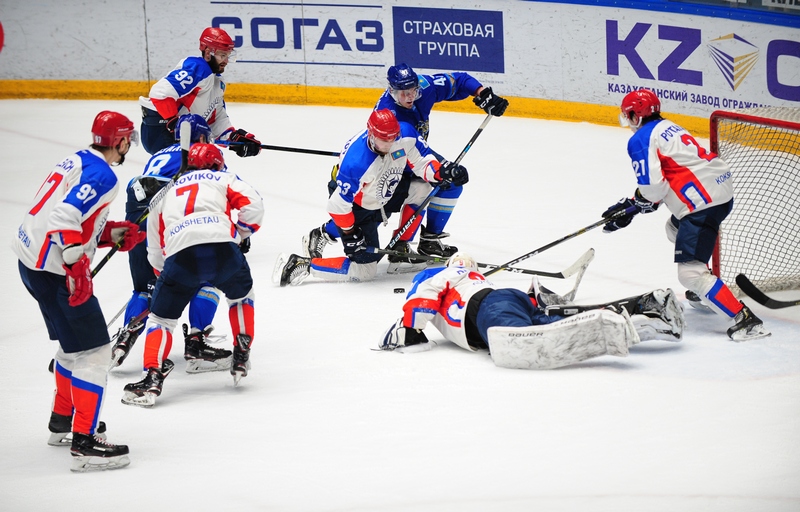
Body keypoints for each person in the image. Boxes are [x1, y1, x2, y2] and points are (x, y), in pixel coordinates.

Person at [13, 111, 143, 472]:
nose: (128, 145)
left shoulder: (78, 158)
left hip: (32, 264)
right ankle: (85, 444)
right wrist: (76, 267)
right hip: (55, 270)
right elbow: (64, 218)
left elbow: (69, 215)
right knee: (97, 353)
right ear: (117, 140)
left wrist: (108, 234)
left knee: (74, 347)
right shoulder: (104, 175)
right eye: (126, 139)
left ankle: (63, 423)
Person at [602, 89, 769, 342]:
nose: (628, 121)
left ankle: (745, 319)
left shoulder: (640, 139)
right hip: (721, 192)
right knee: (673, 229)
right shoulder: (668, 126)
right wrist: (636, 205)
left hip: (702, 204)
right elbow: (665, 181)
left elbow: (654, 189)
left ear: (636, 115)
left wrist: (635, 205)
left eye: (629, 116)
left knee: (689, 274)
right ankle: (708, 289)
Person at [303, 63, 508, 261]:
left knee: (450, 183)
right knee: (371, 209)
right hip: (397, 156)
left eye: (413, 91)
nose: (410, 97)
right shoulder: (388, 114)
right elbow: (397, 154)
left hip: (414, 149)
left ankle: (426, 241)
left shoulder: (423, 87)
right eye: (404, 93)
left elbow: (459, 80)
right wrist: (438, 171)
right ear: (392, 91)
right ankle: (325, 233)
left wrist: (482, 93)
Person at [121, 143, 263, 407]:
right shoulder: (224, 178)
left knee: (161, 319)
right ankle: (241, 350)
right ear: (217, 164)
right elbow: (254, 208)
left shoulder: (164, 193)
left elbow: (154, 249)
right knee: (242, 297)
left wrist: (168, 278)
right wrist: (239, 234)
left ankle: (152, 377)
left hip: (180, 257)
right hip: (223, 250)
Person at [378, 253, 685, 370]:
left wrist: (410, 328)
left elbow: (424, 297)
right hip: (503, 303)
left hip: (489, 308)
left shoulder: (446, 274)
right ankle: (647, 319)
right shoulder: (468, 277)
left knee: (518, 338)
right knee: (560, 324)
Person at [274, 109, 468, 287]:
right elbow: (337, 205)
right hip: (359, 203)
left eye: (393, 138)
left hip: (386, 186)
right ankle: (304, 264)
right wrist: (350, 234)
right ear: (371, 133)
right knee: (365, 270)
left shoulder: (404, 133)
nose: (390, 144)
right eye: (385, 140)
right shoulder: (356, 164)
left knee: (422, 187)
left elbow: (421, 160)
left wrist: (442, 172)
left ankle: (400, 249)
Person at [112, 114, 232, 374]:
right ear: (201, 137)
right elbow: (220, 191)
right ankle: (197, 344)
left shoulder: (158, 154)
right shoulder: (203, 153)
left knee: (143, 288)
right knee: (209, 279)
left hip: (138, 214)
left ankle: (123, 338)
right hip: (169, 219)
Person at [139, 26, 262, 159]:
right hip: (161, 131)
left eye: (228, 55)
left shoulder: (217, 83)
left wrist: (235, 139)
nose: (226, 61)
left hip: (176, 134)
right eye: (222, 55)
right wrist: (176, 124)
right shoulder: (198, 68)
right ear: (208, 53)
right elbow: (160, 93)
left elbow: (215, 120)